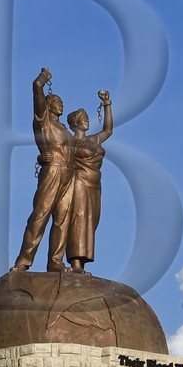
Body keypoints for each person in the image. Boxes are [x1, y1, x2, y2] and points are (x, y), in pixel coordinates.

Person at [13, 68, 73, 271]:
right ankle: (24, 261)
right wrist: (43, 78)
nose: (61, 103)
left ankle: (56, 261)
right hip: (53, 170)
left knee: (63, 218)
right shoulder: (43, 121)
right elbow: (36, 87)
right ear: (47, 105)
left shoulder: (65, 129)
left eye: (61, 101)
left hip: (69, 173)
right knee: (40, 214)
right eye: (57, 101)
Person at [64, 89, 113, 272]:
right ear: (74, 123)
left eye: (86, 117)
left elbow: (108, 130)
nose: (86, 120)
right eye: (83, 117)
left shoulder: (94, 140)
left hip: (95, 186)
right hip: (78, 183)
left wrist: (107, 104)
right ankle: (75, 262)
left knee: (91, 222)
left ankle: (82, 261)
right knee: (78, 219)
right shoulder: (69, 142)